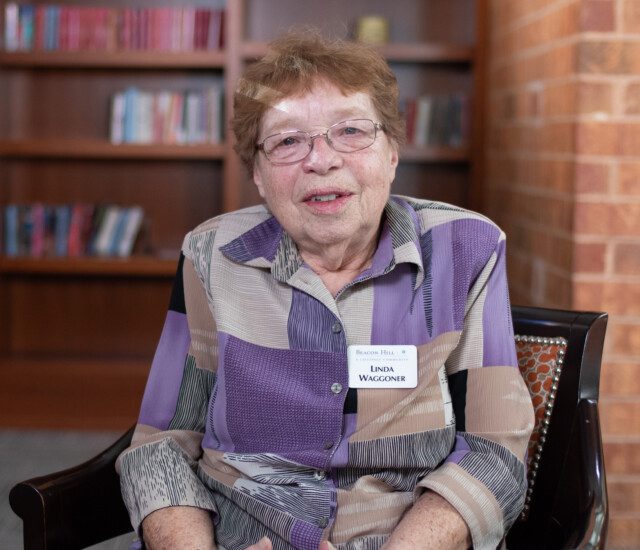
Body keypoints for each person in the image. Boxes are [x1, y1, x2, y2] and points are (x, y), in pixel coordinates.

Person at [116, 31, 534, 550]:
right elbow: (163, 444)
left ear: (392, 154)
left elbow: (494, 451)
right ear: (259, 174)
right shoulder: (212, 253)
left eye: (351, 131)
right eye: (288, 141)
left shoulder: (466, 248)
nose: (321, 159)